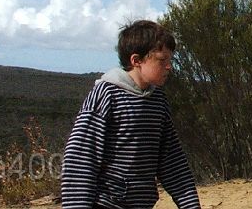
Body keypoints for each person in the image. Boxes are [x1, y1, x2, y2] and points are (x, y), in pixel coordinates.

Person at [61, 20, 200, 209]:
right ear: (136, 61)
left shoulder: (157, 100)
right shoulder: (107, 94)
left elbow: (171, 161)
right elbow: (81, 158)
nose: (169, 67)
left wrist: (191, 205)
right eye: (162, 60)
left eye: (170, 60)